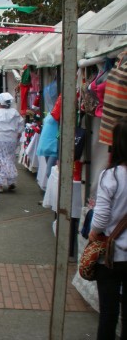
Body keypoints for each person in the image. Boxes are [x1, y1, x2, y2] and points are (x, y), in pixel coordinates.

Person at [89, 116, 127, 340]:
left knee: (109, 313)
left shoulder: (111, 176)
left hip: (111, 255)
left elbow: (101, 216)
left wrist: (94, 233)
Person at [0, 93, 24, 192]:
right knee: (9, 159)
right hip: (11, 139)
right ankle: (11, 181)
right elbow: (21, 124)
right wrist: (18, 133)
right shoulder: (14, 112)